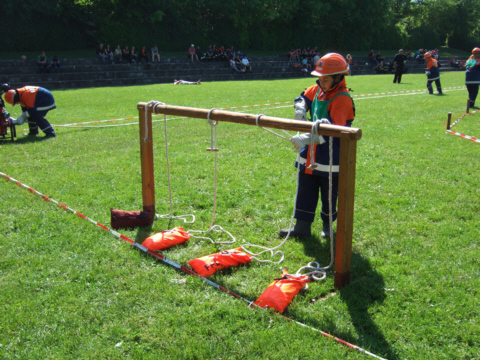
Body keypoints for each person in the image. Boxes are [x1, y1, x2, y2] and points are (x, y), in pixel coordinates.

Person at [279, 53, 355, 238]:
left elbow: (333, 132)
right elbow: (303, 96)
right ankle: (302, 227)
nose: (321, 83)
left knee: (329, 194)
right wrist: (300, 106)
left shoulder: (342, 99)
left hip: (330, 155)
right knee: (305, 189)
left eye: (326, 79)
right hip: (310, 154)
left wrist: (305, 139)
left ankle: (327, 227)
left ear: (338, 78)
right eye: (319, 79)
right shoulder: (319, 89)